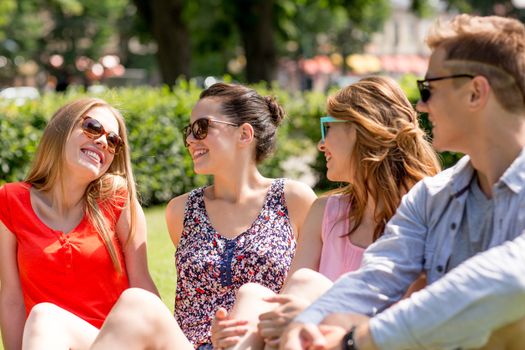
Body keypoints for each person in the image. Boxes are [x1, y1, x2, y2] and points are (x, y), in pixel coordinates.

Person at [281, 14, 525, 350]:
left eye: (429, 89)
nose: (421, 107)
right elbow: (375, 278)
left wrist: (359, 339)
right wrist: (304, 325)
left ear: (475, 93)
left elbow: (509, 280)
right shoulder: (430, 197)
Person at [209, 76, 440, 350]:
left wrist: (316, 316)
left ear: (361, 129)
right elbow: (286, 302)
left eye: (327, 128)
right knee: (252, 294)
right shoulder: (325, 212)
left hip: (367, 341)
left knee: (307, 282)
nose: (321, 144)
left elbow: (418, 320)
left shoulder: (426, 210)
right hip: (306, 339)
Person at [84, 82, 317, 349]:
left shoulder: (292, 199)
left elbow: (303, 292)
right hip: (187, 345)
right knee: (136, 301)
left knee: (252, 297)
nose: (190, 140)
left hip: (260, 341)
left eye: (202, 128)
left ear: (244, 134)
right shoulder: (181, 211)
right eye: (189, 131)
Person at [0, 97, 158, 350]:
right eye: (93, 127)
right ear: (61, 129)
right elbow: (11, 298)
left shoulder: (118, 199)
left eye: (113, 141)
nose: (103, 142)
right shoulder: (10, 201)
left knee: (44, 318)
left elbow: (142, 286)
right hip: (46, 342)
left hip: (115, 342)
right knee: (44, 319)